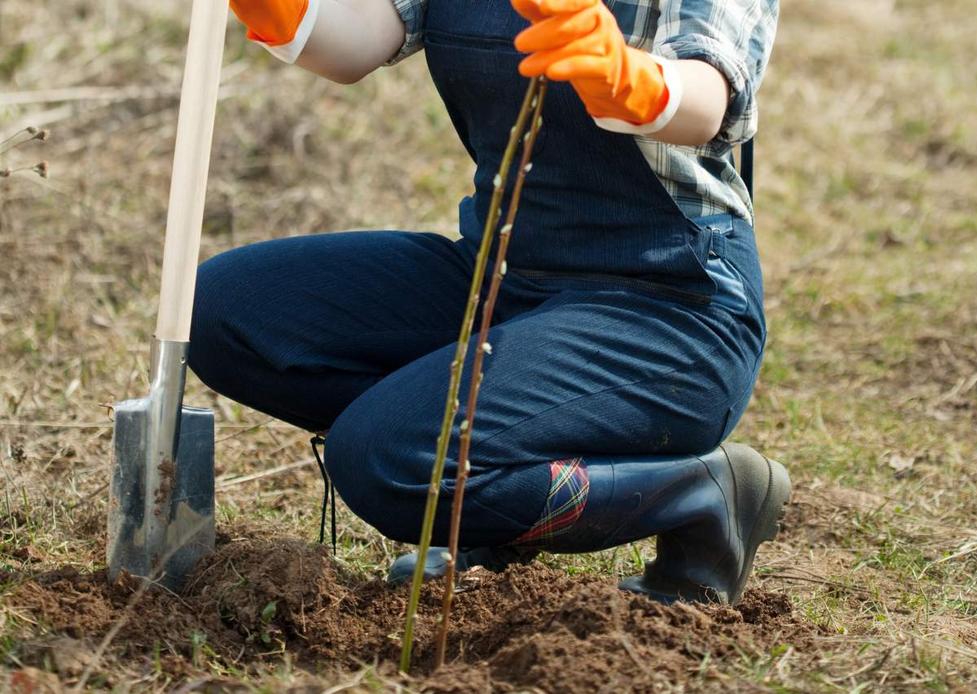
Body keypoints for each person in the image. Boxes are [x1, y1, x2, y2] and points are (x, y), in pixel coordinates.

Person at [190, 0, 789, 605]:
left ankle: (701, 497)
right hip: (501, 280)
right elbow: (356, 44)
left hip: (668, 308)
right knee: (224, 312)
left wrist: (624, 77)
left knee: (393, 460)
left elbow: (705, 102)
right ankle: (486, 485)